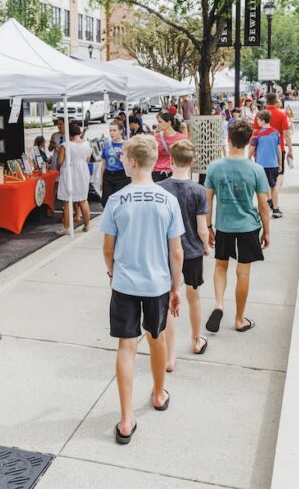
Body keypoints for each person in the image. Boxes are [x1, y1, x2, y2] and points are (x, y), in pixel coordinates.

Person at [100, 134, 183, 445]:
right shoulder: (168, 201)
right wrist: (175, 286)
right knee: (157, 337)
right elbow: (176, 252)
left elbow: (107, 248)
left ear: (133, 162)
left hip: (124, 283)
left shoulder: (116, 200)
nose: (121, 162)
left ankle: (125, 419)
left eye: (123, 158)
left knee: (126, 347)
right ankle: (159, 393)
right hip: (158, 284)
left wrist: (112, 272)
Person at [205, 121, 270, 334]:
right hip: (248, 226)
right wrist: (267, 231)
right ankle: (239, 319)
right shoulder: (256, 169)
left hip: (224, 225)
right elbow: (262, 204)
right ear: (249, 141)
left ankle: (218, 303)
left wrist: (208, 227)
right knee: (243, 272)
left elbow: (208, 202)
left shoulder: (215, 167)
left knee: (220, 265)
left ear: (229, 139)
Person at [158, 140, 210, 365]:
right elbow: (202, 228)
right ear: (192, 162)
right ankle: (196, 339)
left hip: (167, 252)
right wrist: (206, 246)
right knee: (193, 297)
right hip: (192, 251)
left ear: (170, 160)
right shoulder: (198, 190)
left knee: (170, 300)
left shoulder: (160, 188)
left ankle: (170, 355)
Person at [253, 93, 292, 218]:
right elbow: (286, 133)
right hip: (276, 153)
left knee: (262, 183)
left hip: (260, 155)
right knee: (276, 179)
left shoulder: (259, 115)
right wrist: (290, 149)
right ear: (276, 101)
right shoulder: (282, 115)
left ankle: (266, 202)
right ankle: (274, 205)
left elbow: (254, 133)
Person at [57, 123, 93, 232]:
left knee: (68, 200)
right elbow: (87, 160)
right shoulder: (87, 144)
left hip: (69, 171)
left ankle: (67, 227)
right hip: (83, 171)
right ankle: (87, 225)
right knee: (83, 199)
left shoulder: (65, 145)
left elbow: (59, 161)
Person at [249, 111, 282, 218]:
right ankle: (276, 209)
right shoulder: (276, 132)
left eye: (258, 119)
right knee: (273, 187)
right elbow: (279, 150)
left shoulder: (257, 133)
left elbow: (252, 148)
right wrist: (280, 163)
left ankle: (263, 210)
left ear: (263, 120)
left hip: (260, 165)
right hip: (273, 164)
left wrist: (247, 159)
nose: (257, 121)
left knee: (261, 189)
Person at [100, 121, 130, 203]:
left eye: (114, 130)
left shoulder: (126, 145)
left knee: (119, 201)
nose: (111, 133)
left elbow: (131, 164)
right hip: (108, 175)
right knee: (105, 201)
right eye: (110, 130)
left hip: (121, 175)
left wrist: (124, 160)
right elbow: (103, 163)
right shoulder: (107, 145)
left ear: (121, 131)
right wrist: (100, 180)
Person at [151, 112, 185, 183]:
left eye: (160, 122)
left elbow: (184, 159)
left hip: (175, 173)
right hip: (157, 173)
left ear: (169, 123)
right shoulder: (155, 137)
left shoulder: (181, 139)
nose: (158, 124)